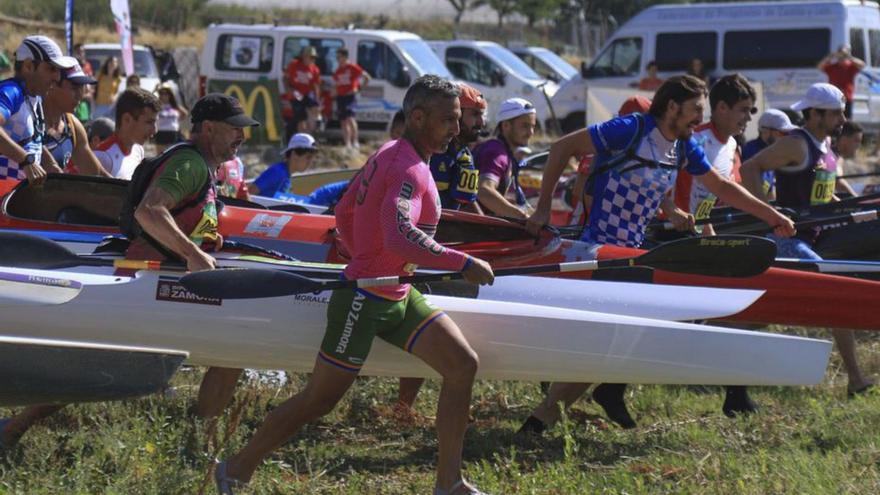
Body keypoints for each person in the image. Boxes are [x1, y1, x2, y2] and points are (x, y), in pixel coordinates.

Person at [213, 75, 495, 495]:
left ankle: (449, 482)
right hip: (363, 300)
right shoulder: (406, 167)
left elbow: (344, 210)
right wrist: (461, 261)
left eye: (457, 120)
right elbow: (399, 233)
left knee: (462, 365)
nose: (456, 129)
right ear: (418, 118)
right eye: (448, 120)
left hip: (396, 291)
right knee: (318, 401)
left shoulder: (389, 152)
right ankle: (236, 467)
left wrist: (364, 253)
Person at [520, 75, 795, 433]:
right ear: (672, 107)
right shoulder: (630, 128)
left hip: (632, 255)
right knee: (612, 346)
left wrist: (772, 216)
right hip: (595, 252)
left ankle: (540, 421)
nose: (701, 117)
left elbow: (719, 186)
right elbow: (561, 148)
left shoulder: (682, 146)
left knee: (617, 347)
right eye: (696, 109)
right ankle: (542, 416)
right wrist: (542, 210)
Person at [127, 93, 260, 426]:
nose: (241, 137)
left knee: (235, 348)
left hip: (164, 282)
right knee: (236, 345)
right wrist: (193, 252)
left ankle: (202, 431)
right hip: (149, 282)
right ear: (210, 128)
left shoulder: (205, 168)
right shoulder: (190, 164)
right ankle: (202, 434)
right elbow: (149, 211)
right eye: (234, 129)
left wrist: (204, 242)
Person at [741, 82, 873, 397]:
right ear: (814, 114)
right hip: (789, 239)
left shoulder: (826, 147)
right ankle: (856, 380)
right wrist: (769, 214)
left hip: (815, 238)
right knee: (833, 294)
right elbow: (750, 168)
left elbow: (827, 189)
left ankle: (715, 340)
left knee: (771, 311)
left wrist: (860, 205)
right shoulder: (797, 144)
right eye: (835, 114)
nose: (842, 120)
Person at [395, 82, 487, 415]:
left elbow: (469, 205)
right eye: (471, 115)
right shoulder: (425, 151)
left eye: (476, 116)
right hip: (423, 249)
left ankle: (406, 404)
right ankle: (403, 405)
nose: (476, 122)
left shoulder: (465, 155)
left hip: (448, 248)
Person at [674, 74, 757, 222]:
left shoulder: (733, 144)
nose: (749, 118)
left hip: (713, 229)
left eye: (751, 111)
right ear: (722, 107)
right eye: (744, 110)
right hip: (679, 232)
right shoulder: (693, 140)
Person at [0, 35, 76, 185]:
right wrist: (25, 160)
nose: (57, 76)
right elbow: (25, 153)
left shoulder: (36, 97)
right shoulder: (10, 91)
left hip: (18, 196)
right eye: (51, 68)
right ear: (28, 66)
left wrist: (50, 165)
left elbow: (32, 141)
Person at [41, 61, 111, 177]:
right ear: (52, 85)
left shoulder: (72, 124)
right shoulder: (29, 121)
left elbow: (96, 173)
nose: (80, 95)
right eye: (74, 88)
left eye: (81, 88)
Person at [473, 97, 536, 219]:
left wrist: (508, 204)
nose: (530, 132)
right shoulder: (496, 152)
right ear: (506, 125)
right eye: (525, 126)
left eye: (533, 126)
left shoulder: (500, 149)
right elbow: (484, 191)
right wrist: (522, 216)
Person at [93, 87, 159, 179]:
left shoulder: (138, 149)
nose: (155, 130)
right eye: (149, 122)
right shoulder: (102, 157)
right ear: (127, 119)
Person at [742, 109, 797, 199]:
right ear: (765, 131)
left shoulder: (771, 153)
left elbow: (769, 193)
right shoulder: (751, 152)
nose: (787, 138)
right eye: (783, 133)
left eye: (789, 134)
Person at [247, 133, 318, 197]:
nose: (310, 162)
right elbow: (250, 192)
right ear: (294, 154)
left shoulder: (285, 174)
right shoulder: (277, 172)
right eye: (308, 157)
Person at [333, 48, 370, 149]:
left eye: (338, 57)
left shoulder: (352, 67)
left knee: (350, 118)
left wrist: (359, 88)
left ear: (344, 57)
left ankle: (355, 141)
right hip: (340, 97)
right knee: (343, 121)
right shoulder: (338, 71)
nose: (337, 59)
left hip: (350, 96)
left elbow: (366, 77)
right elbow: (336, 85)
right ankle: (347, 144)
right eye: (336, 57)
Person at [818, 44, 865, 119]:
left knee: (846, 121)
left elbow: (862, 65)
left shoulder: (851, 67)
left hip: (846, 98)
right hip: (833, 98)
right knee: (832, 120)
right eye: (840, 53)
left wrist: (849, 57)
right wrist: (830, 57)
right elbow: (820, 67)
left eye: (843, 53)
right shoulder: (832, 67)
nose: (842, 55)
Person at [285, 46, 322, 133]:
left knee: (315, 108)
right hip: (296, 93)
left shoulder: (315, 69)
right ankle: (301, 138)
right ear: (304, 56)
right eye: (311, 57)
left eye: (314, 58)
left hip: (308, 93)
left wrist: (317, 99)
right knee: (300, 118)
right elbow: (286, 78)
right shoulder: (294, 65)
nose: (313, 59)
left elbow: (316, 85)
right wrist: (288, 89)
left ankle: (317, 125)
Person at [155, 83, 188, 153]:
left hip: (173, 133)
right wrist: (155, 90)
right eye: (161, 93)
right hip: (161, 132)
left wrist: (177, 120)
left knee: (172, 155)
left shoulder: (174, 106)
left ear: (170, 95)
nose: (164, 96)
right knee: (159, 156)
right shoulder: (157, 105)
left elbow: (185, 113)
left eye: (166, 93)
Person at [832, 121, 863, 197]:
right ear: (844, 140)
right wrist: (856, 199)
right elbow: (838, 182)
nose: (859, 146)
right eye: (856, 141)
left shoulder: (839, 157)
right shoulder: (832, 156)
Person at [72, 43, 94, 122]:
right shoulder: (72, 65)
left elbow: (91, 80)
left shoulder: (87, 65)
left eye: (82, 51)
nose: (80, 53)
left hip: (86, 100)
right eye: (78, 51)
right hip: (75, 98)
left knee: (85, 121)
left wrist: (90, 92)